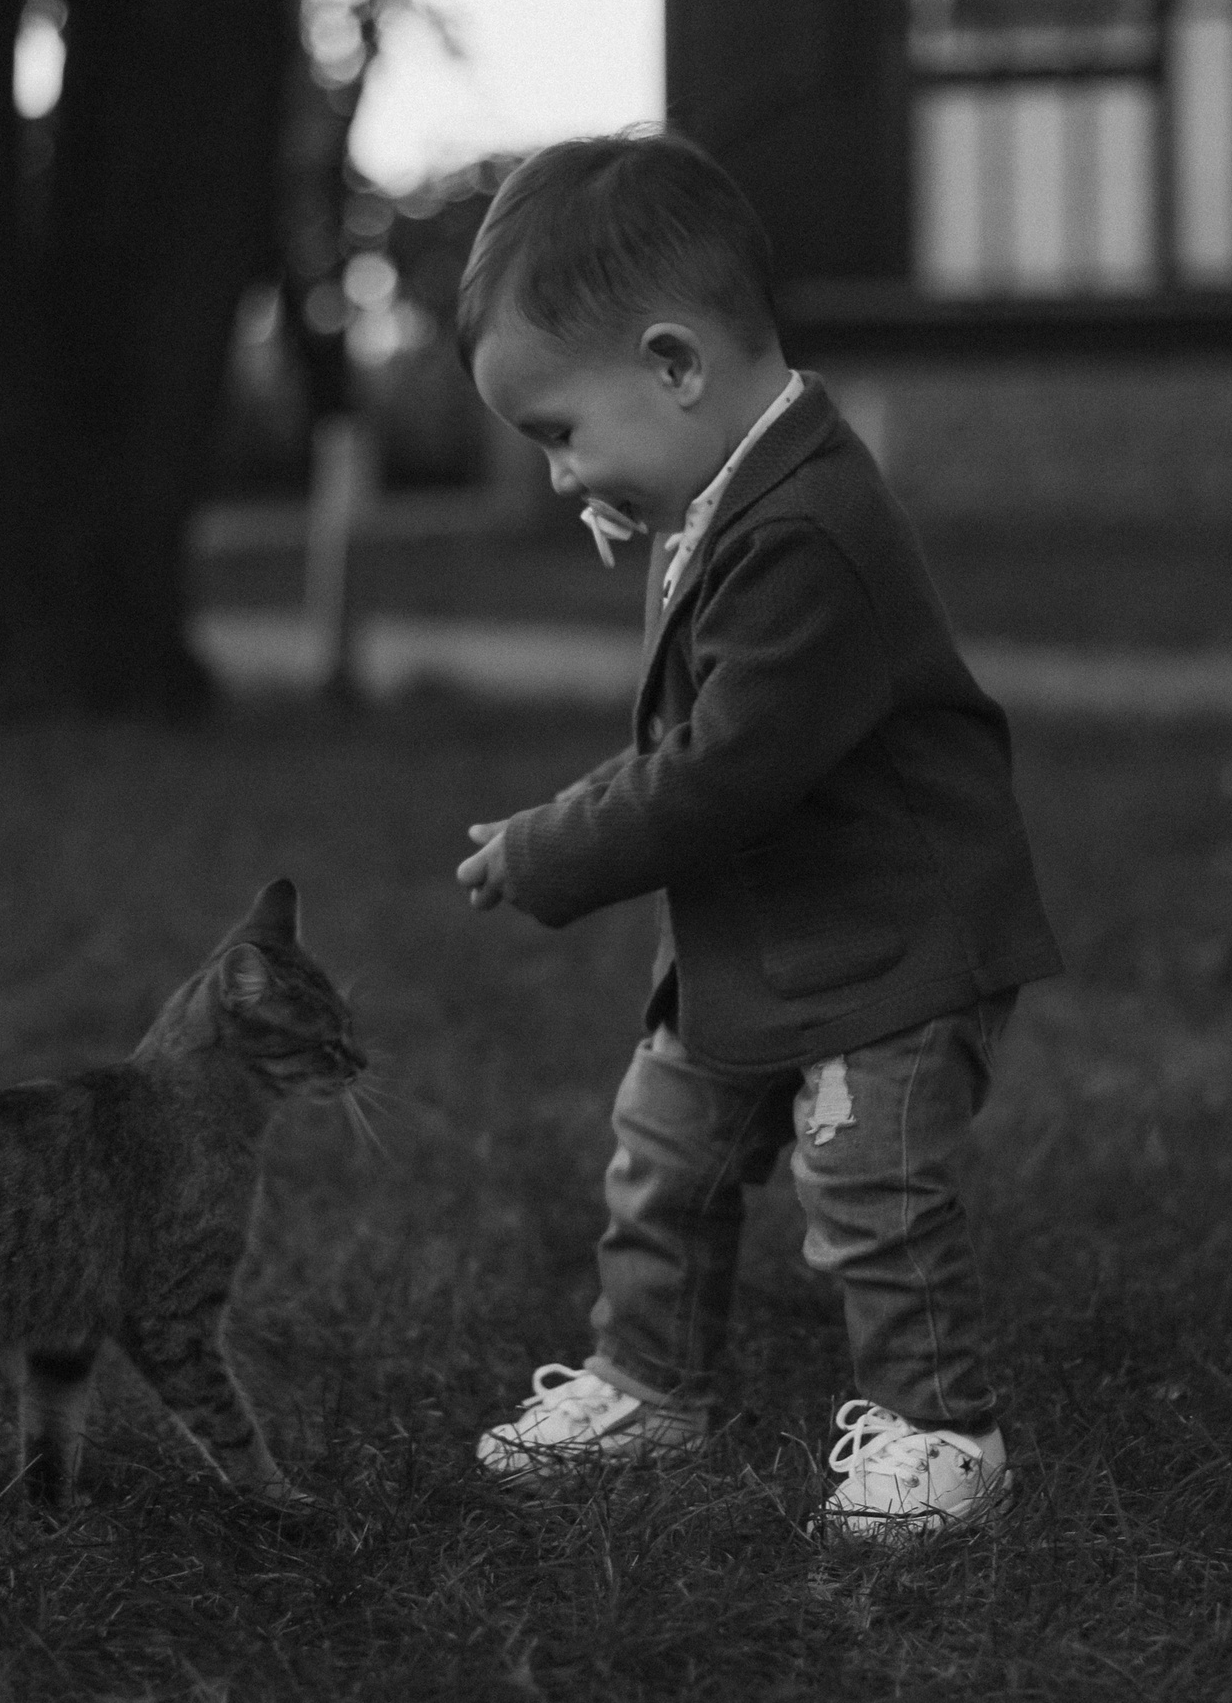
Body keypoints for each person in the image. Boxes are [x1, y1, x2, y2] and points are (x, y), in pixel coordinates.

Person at [451, 130, 1064, 1546]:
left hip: (890, 943)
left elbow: (721, 772)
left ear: (674, 368)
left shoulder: (808, 531)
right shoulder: (727, 485)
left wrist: (555, 848)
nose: (560, 481)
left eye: (559, 432)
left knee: (869, 1185)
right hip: (766, 937)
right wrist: (639, 500)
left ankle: (940, 1430)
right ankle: (650, 1380)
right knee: (662, 1145)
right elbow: (702, 648)